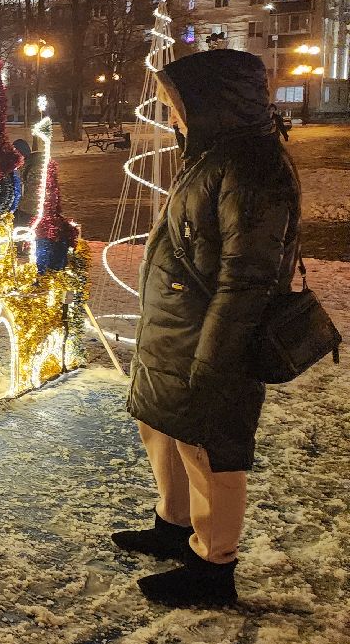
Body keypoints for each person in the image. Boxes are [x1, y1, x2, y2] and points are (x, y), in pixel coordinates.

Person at [116, 48, 300, 608]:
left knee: (209, 449)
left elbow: (247, 279)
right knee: (163, 427)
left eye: (179, 105)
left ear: (212, 105)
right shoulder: (214, 154)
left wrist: (215, 358)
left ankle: (212, 564)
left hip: (208, 338)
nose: (172, 115)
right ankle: (173, 524)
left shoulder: (252, 167)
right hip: (177, 331)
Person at [11, 138, 44, 228]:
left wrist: (17, 206)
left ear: (23, 154)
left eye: (16, 155)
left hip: (30, 212)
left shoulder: (34, 168)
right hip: (25, 211)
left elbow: (34, 195)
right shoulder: (25, 167)